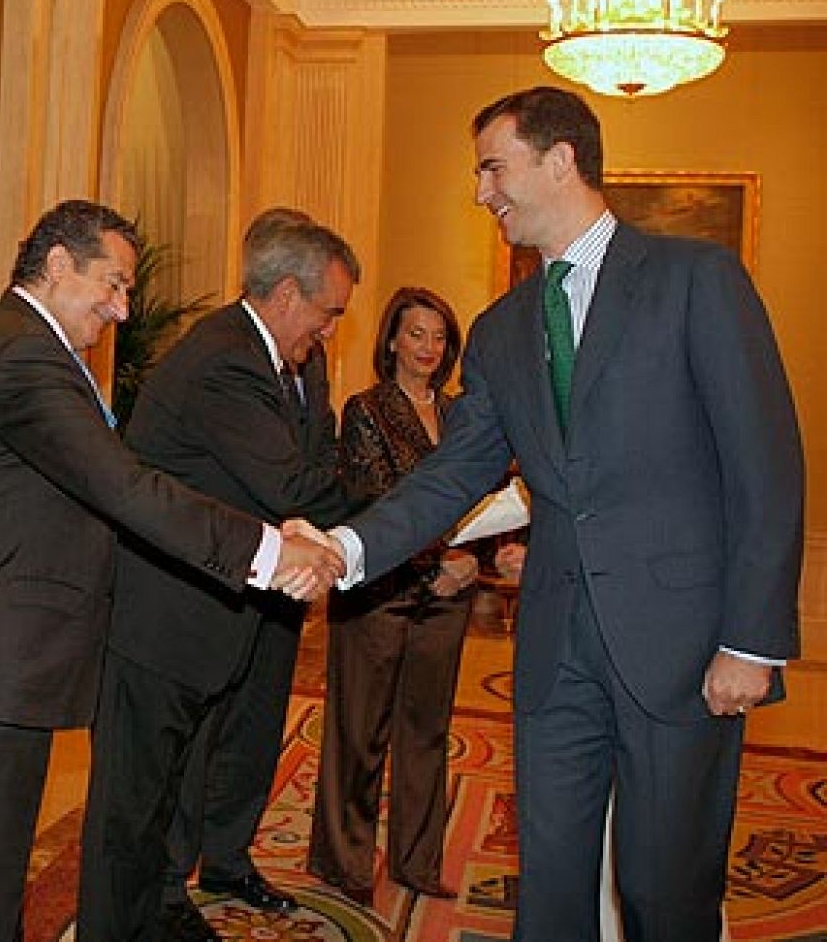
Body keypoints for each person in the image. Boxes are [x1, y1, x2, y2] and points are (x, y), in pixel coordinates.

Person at [316, 86, 803, 941]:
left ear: (560, 159)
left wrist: (751, 641)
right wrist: (344, 547)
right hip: (555, 650)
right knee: (547, 891)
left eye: (492, 167)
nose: (481, 192)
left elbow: (765, 467)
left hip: (683, 648)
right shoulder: (501, 329)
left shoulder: (696, 279)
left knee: (664, 892)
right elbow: (452, 474)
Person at [0, 199, 342, 941]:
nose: (121, 309)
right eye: (112, 284)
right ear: (57, 265)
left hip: (11, 666)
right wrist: (268, 552)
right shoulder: (20, 356)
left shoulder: (30, 349)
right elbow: (125, 486)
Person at [77, 210, 365, 941]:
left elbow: (310, 467)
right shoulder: (226, 359)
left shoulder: (275, 356)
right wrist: (406, 512)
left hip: (211, 608)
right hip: (162, 616)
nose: (330, 328)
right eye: (330, 311)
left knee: (176, 780)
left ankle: (163, 907)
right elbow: (295, 485)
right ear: (289, 295)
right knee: (132, 804)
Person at [306, 286, 482, 906]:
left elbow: (485, 498)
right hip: (378, 593)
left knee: (426, 733)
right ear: (392, 341)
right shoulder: (367, 410)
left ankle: (417, 861)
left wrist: (473, 561)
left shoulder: (462, 416)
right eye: (416, 333)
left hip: (449, 596)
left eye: (439, 336)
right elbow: (376, 501)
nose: (428, 347)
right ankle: (345, 862)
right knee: (360, 731)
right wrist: (443, 558)